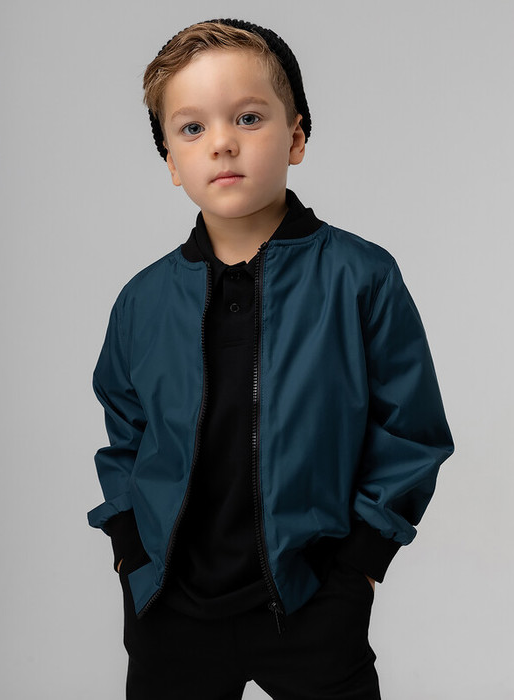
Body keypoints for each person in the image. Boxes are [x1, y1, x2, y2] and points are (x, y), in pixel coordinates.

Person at [87, 18, 454, 700]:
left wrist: (359, 569)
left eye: (248, 117)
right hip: (171, 610)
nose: (221, 141)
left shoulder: (361, 278)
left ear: (296, 137)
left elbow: (410, 431)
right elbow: (127, 434)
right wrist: (130, 552)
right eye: (191, 127)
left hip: (311, 601)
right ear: (171, 162)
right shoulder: (142, 300)